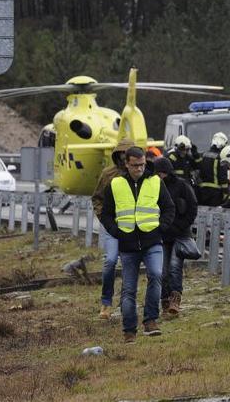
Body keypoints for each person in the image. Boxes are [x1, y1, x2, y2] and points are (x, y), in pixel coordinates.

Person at [99, 146, 175, 343]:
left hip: (152, 241)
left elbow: (169, 207)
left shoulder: (155, 182)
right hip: (128, 244)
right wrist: (115, 232)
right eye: (135, 166)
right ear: (127, 164)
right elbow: (106, 213)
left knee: (156, 275)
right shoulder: (115, 184)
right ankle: (129, 330)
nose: (139, 169)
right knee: (129, 289)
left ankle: (151, 321)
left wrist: (161, 227)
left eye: (142, 165)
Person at [92, 138, 135, 319]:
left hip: (133, 228)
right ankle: (106, 303)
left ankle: (126, 303)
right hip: (112, 227)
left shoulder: (138, 174)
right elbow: (97, 198)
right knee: (110, 262)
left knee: (129, 265)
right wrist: (105, 219)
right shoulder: (108, 174)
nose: (124, 157)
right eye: (122, 153)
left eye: (128, 154)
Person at [153, 157, 198, 317]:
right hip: (163, 236)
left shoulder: (182, 186)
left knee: (174, 268)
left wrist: (181, 226)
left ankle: (175, 301)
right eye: (157, 173)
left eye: (162, 173)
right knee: (162, 272)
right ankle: (164, 301)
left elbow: (192, 208)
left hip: (180, 235)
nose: (160, 176)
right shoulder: (153, 187)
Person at [197, 132, 230, 207]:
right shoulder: (221, 157)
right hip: (215, 193)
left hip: (202, 191)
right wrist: (226, 192)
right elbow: (223, 177)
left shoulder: (203, 155)